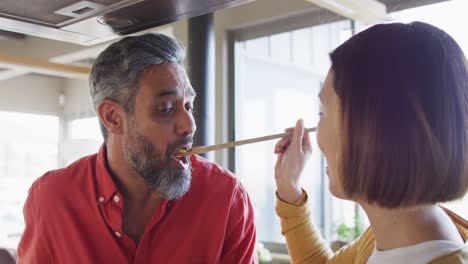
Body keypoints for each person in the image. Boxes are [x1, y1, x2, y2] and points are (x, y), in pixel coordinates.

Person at [17, 33, 257, 263]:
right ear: (113, 117)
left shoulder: (226, 197)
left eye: (188, 105)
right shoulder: (52, 200)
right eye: (166, 108)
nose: (189, 125)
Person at [274, 22, 468, 263]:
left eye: (322, 114)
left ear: (369, 130)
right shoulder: (386, 240)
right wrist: (289, 188)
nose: (317, 133)